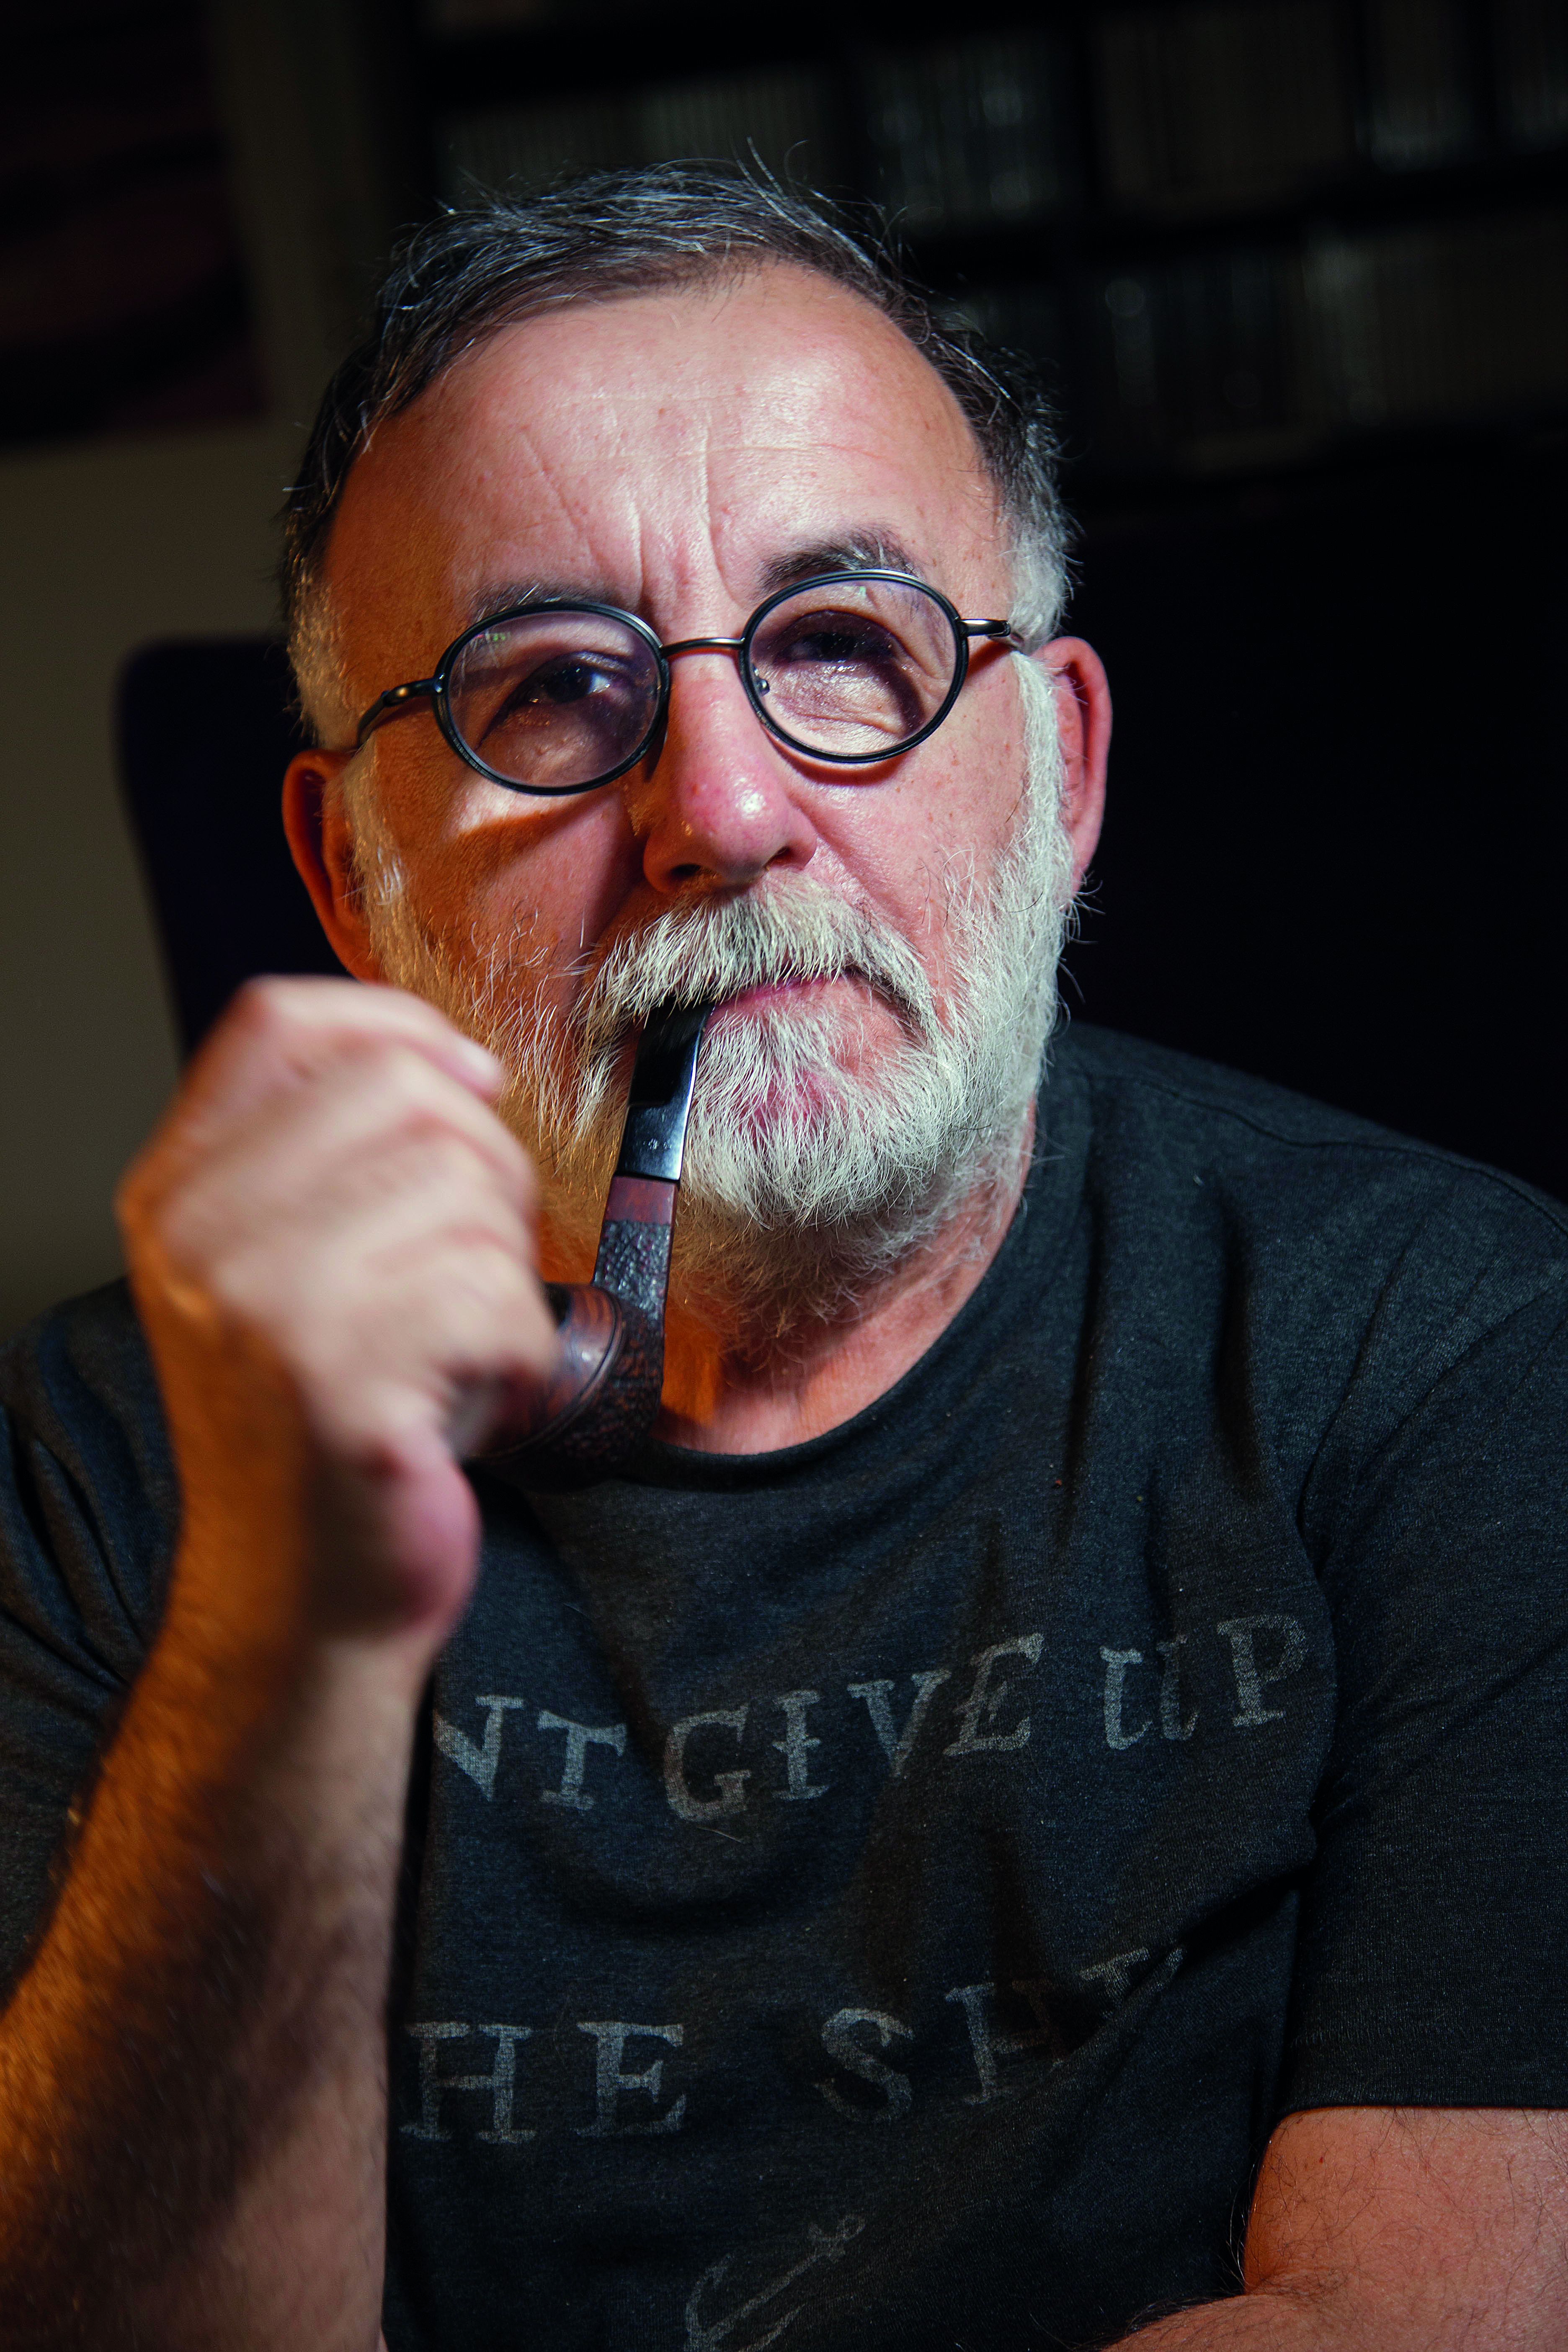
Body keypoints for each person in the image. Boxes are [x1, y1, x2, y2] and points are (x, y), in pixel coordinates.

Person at [2, 166, 1566, 2352]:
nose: (723, 811)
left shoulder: (1451, 1347)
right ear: (350, 876)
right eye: (555, 691)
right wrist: (286, 1631)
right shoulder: (99, 1461)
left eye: (842, 644)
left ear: (1060, 769)